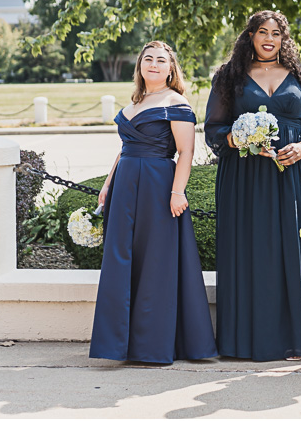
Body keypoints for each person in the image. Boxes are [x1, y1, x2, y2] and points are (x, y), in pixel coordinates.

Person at [204, 10, 301, 361]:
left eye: (276, 33)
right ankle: (248, 340)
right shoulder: (228, 77)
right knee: (252, 250)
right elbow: (213, 130)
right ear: (250, 36)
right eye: (263, 32)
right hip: (245, 178)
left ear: (284, 39)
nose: (269, 38)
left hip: (291, 173)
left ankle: (296, 338)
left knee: (293, 249)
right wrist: (240, 140)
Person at [90, 41, 217, 364]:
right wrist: (108, 184)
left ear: (171, 68)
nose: (154, 64)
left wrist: (178, 191)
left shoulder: (176, 102)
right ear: (140, 66)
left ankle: (153, 346)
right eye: (148, 59)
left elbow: (186, 151)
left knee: (155, 262)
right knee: (122, 260)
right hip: (125, 186)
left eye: (162, 60)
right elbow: (125, 148)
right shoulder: (137, 100)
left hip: (158, 187)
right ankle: (119, 344)